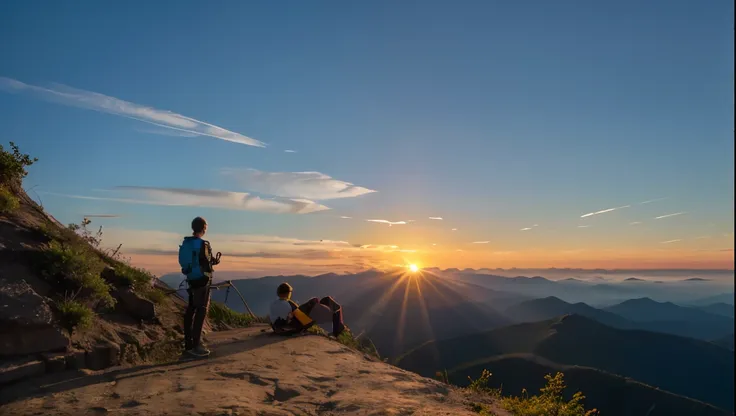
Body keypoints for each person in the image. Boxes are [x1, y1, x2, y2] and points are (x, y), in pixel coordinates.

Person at [178, 216, 220, 357]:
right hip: (202, 280)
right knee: (201, 310)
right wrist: (214, 262)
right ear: (204, 228)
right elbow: (207, 263)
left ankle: (188, 344)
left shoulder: (186, 242)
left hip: (191, 279)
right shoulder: (204, 244)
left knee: (191, 310)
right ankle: (196, 345)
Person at [269, 282, 346, 337]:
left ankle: (338, 326)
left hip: (281, 328)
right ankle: (338, 326)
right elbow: (300, 319)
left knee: (318, 301)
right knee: (324, 301)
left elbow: (275, 320)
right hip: (294, 327)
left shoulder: (273, 303)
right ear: (288, 293)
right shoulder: (289, 304)